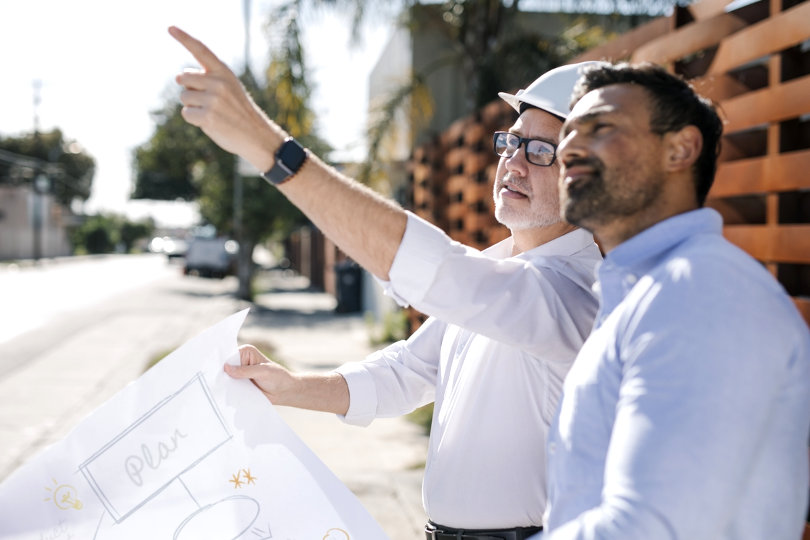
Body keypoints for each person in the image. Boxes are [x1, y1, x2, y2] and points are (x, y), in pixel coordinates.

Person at [169, 26, 603, 538]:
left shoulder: (579, 293)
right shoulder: (504, 267)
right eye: (512, 142)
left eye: (541, 152)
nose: (512, 163)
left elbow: (437, 269)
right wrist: (293, 388)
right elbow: (408, 371)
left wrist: (269, 149)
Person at [535, 62, 810, 539]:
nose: (569, 148)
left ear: (681, 149)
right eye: (569, 133)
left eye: (600, 128)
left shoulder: (700, 289)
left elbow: (651, 528)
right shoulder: (644, 290)